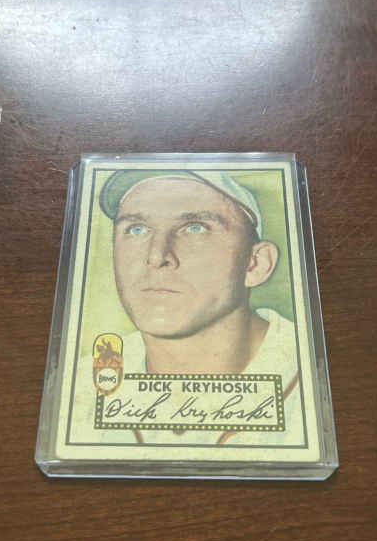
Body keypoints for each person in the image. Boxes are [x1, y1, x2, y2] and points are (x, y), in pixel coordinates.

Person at [90, 170, 300, 445]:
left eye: (195, 228)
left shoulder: (315, 373)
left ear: (255, 264)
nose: (156, 256)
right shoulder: (82, 383)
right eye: (137, 229)